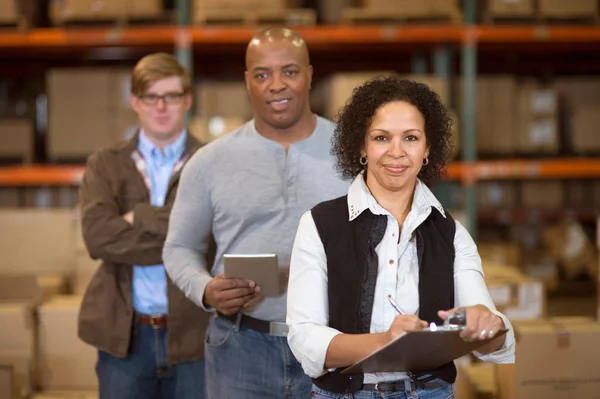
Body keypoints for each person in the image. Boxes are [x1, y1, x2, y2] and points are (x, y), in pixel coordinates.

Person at [286, 77, 516, 398]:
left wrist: (486, 324)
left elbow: (495, 344)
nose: (396, 152)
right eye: (382, 137)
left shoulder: (451, 233)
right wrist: (385, 342)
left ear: (427, 149)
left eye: (410, 138)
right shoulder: (319, 225)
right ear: (362, 146)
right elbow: (304, 339)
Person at [163, 27, 350, 398]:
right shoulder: (210, 162)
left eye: (290, 72)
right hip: (239, 347)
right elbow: (179, 247)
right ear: (248, 82)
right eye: (262, 74)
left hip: (335, 345)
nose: (276, 85)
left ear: (310, 75)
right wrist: (205, 289)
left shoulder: (352, 155)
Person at [78, 52, 208, 399]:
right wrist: (184, 239)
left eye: (172, 96)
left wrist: (139, 217)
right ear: (135, 101)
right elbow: (97, 237)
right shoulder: (106, 164)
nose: (161, 106)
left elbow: (212, 237)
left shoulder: (211, 162)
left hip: (195, 340)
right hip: (126, 342)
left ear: (188, 100)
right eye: (151, 96)